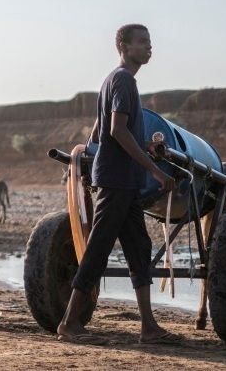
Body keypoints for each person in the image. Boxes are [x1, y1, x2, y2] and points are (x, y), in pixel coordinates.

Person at [56, 23, 181, 345]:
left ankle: (149, 327)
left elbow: (99, 131)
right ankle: (69, 323)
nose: (149, 47)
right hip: (116, 180)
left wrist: (139, 148)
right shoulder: (124, 79)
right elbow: (116, 130)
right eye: (142, 42)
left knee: (139, 249)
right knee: (98, 249)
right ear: (122, 46)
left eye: (150, 42)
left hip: (121, 180)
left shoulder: (115, 80)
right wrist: (155, 170)